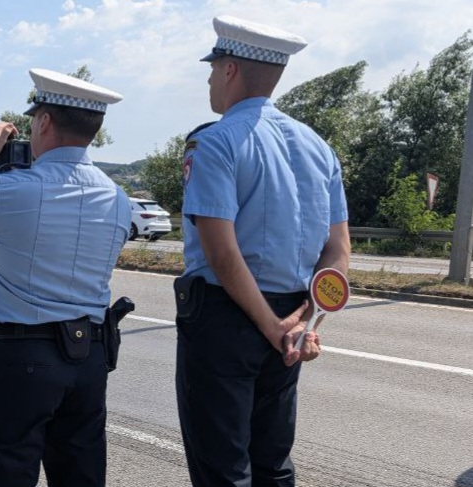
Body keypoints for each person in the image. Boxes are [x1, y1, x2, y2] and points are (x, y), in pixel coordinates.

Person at [175, 15, 351, 487]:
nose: (210, 80)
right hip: (291, 317)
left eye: (213, 69)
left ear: (230, 69)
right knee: (272, 463)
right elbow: (338, 252)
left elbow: (222, 254)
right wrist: (305, 322)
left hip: (228, 317)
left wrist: (270, 324)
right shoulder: (319, 147)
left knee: (222, 469)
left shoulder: (214, 142)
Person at [0, 68, 131, 487]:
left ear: (44, 122)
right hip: (89, 357)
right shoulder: (118, 198)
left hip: (21, 356)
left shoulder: (8, 190)